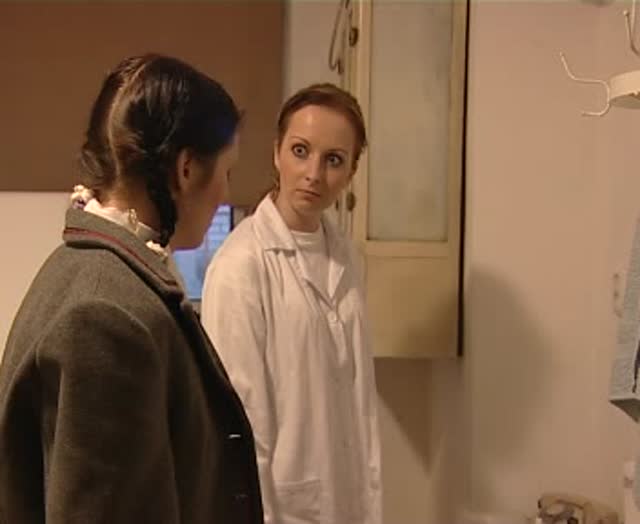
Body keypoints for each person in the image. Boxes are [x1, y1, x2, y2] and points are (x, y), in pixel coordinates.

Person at [0, 54, 263, 523]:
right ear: (186, 170)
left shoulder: (95, 271)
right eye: (227, 173)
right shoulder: (105, 315)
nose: (226, 193)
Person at [201, 83, 382, 524]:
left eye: (334, 160)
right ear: (277, 152)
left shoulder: (346, 256)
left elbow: (359, 404)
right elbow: (241, 423)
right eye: (301, 151)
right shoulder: (240, 265)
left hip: (346, 502)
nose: (314, 174)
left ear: (351, 171)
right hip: (282, 510)